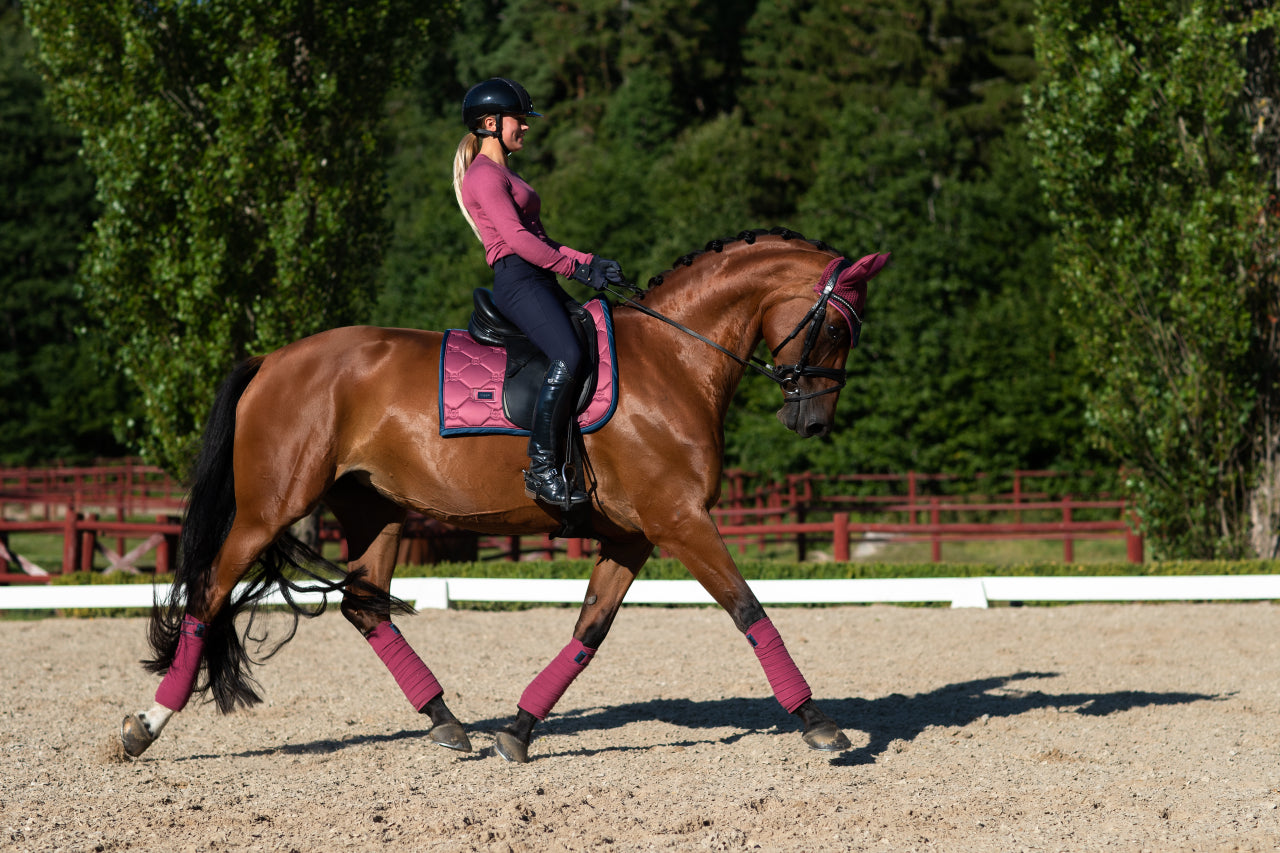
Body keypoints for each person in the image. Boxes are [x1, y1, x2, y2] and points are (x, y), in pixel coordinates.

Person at [453, 77, 623, 509]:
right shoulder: (484, 176)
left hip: (538, 276)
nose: (525, 128)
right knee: (568, 355)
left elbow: (540, 237)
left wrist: (588, 261)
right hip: (518, 279)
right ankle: (544, 467)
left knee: (595, 334)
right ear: (490, 123)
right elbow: (516, 240)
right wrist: (573, 268)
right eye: (519, 120)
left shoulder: (506, 173)